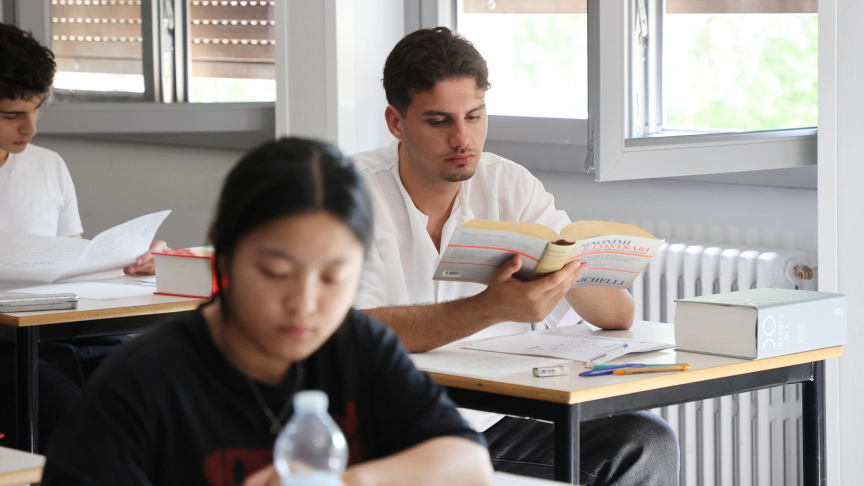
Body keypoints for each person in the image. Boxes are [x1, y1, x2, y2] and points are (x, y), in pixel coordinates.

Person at [42, 137, 495, 486]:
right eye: (276, 272)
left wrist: (347, 482)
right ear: (223, 253)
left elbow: (469, 463)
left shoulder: (357, 345)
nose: (304, 303)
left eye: (334, 277)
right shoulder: (144, 381)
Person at [350, 27, 679, 485]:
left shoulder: (509, 185)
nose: (462, 139)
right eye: (439, 122)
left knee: (644, 442)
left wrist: (569, 264)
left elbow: (617, 316)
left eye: (475, 116)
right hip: (385, 431)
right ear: (396, 122)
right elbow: (355, 333)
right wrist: (489, 308)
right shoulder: (348, 194)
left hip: (489, 421)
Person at [0, 22, 167, 448]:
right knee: (71, 412)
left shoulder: (47, 165)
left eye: (37, 109)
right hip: (9, 343)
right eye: (11, 115)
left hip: (62, 329)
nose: (30, 129)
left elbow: (73, 264)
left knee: (159, 385)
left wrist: (134, 262)